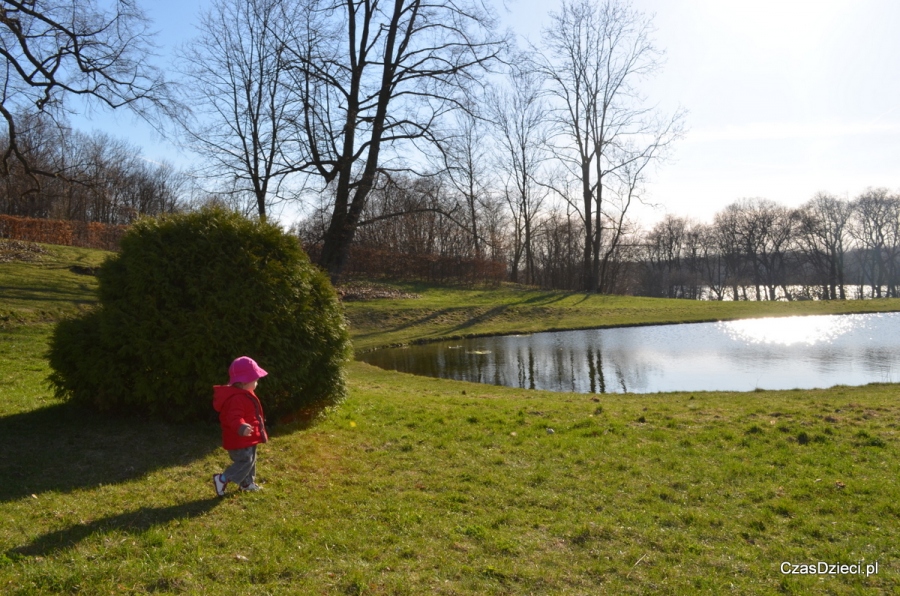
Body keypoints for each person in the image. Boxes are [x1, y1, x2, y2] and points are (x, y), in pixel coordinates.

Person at [212, 356, 269, 496]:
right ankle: (223, 478)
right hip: (239, 438)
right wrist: (241, 427)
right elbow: (233, 417)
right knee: (245, 461)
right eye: (255, 380)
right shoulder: (236, 398)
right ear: (243, 382)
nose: (257, 383)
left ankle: (247, 483)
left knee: (251, 460)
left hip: (248, 437)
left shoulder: (245, 394)